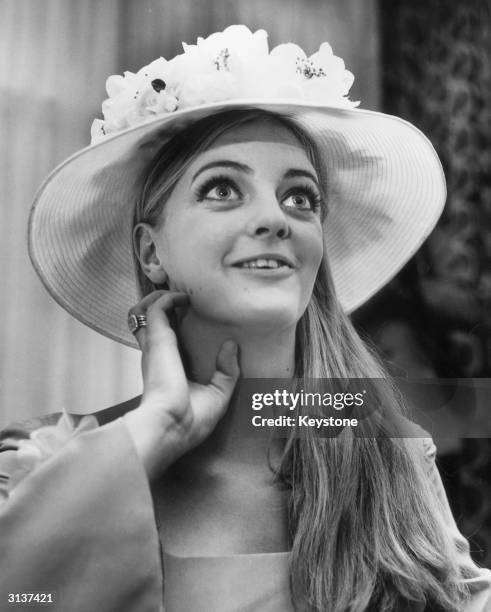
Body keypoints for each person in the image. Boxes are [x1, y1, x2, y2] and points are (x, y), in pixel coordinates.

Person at [1, 25, 490, 612]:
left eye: (300, 198)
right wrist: (155, 429)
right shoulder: (44, 461)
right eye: (223, 189)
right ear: (151, 253)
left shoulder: (392, 456)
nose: (275, 219)